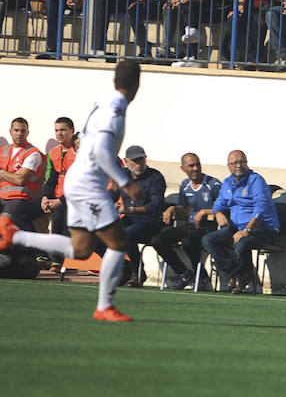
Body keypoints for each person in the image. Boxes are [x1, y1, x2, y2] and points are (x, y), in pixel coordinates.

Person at [1, 60, 145, 321]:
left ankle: (15, 235)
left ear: (115, 80)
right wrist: (125, 183)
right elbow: (101, 150)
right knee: (118, 243)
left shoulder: (104, 100)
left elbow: (84, 139)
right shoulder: (115, 110)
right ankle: (105, 306)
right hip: (89, 184)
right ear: (137, 84)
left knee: (81, 249)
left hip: (78, 179)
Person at [201, 150, 280, 294]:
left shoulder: (256, 180)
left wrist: (247, 230)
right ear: (228, 165)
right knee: (208, 240)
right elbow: (220, 203)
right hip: (237, 228)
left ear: (247, 163)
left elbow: (260, 208)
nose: (239, 165)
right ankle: (237, 273)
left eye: (242, 162)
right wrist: (218, 213)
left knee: (241, 242)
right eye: (235, 162)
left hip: (263, 228)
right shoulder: (227, 183)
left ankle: (242, 274)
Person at [151, 153, 222, 290]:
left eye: (198, 164)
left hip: (209, 225)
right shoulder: (185, 185)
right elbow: (185, 210)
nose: (195, 168)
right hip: (191, 224)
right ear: (183, 168)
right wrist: (172, 209)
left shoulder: (213, 184)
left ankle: (201, 277)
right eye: (191, 166)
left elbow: (224, 208)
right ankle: (184, 273)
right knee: (158, 240)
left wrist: (205, 212)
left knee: (188, 241)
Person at [115, 145, 166, 287]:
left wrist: (131, 209)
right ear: (126, 161)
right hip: (129, 219)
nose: (139, 164)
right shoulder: (122, 175)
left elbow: (156, 206)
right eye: (135, 160)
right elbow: (111, 195)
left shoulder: (155, 177)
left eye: (141, 160)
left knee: (126, 234)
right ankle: (126, 268)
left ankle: (137, 272)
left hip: (150, 221)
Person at [0, 118, 46, 232]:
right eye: (16, 130)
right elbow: (17, 177)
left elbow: (21, 180)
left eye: (22, 131)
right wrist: (13, 175)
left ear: (27, 132)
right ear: (10, 131)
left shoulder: (33, 153)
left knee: (9, 219)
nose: (19, 134)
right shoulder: (2, 151)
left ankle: (34, 248)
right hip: (2, 196)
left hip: (20, 198)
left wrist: (2, 172)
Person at [40, 117, 78, 237]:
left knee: (63, 227)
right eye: (56, 130)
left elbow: (82, 185)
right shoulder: (53, 153)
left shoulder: (80, 151)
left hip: (74, 199)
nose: (59, 134)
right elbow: (50, 179)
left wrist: (59, 201)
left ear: (72, 131)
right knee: (24, 211)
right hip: (57, 198)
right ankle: (39, 253)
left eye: (63, 130)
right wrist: (45, 197)